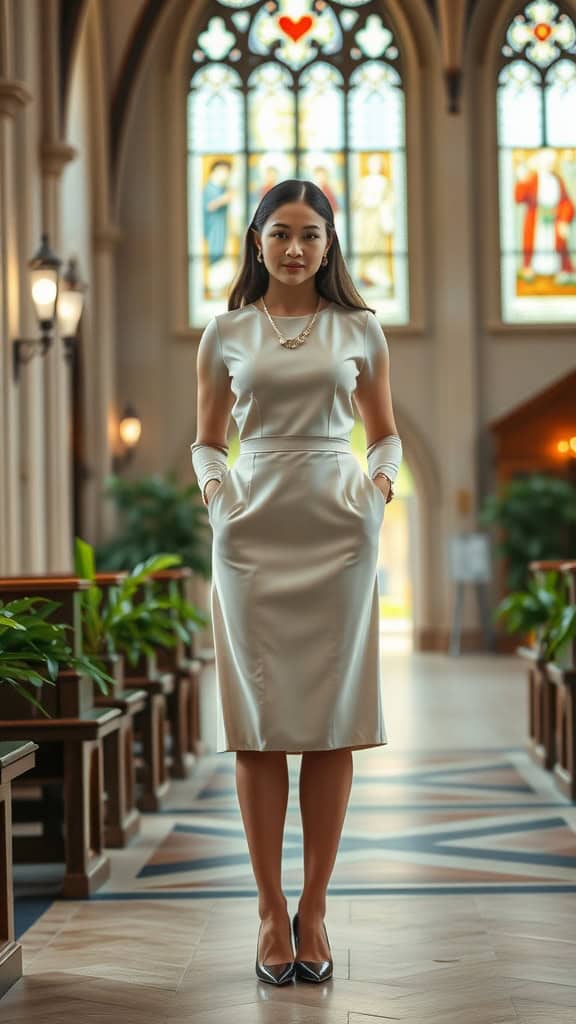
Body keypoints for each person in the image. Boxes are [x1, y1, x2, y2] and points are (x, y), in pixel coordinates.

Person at [190, 179, 402, 987]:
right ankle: (268, 910)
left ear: (329, 244)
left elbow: (385, 437)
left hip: (340, 533)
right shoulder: (225, 333)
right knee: (260, 725)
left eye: (310, 235)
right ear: (255, 241)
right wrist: (218, 497)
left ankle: (314, 906)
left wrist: (376, 496)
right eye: (280, 233)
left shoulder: (361, 330)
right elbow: (207, 443)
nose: (295, 248)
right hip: (250, 537)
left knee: (330, 723)